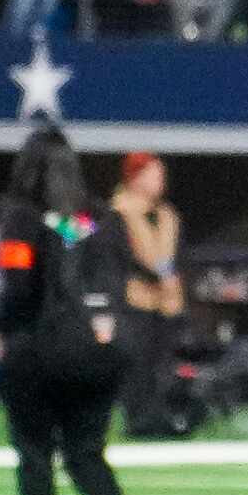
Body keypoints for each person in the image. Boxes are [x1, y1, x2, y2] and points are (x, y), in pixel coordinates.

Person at [0, 124, 135, 495]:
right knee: (84, 451)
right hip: (101, 348)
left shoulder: (22, 218)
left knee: (33, 451)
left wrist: (2, 331)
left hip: (39, 347)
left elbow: (18, 287)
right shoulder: (101, 218)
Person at [97, 152, 183, 437]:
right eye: (153, 175)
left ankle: (163, 417)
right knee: (137, 363)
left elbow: (176, 256)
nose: (160, 181)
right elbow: (117, 259)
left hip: (167, 301)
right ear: (134, 178)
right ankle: (139, 420)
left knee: (163, 363)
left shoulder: (168, 216)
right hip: (134, 300)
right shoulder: (117, 214)